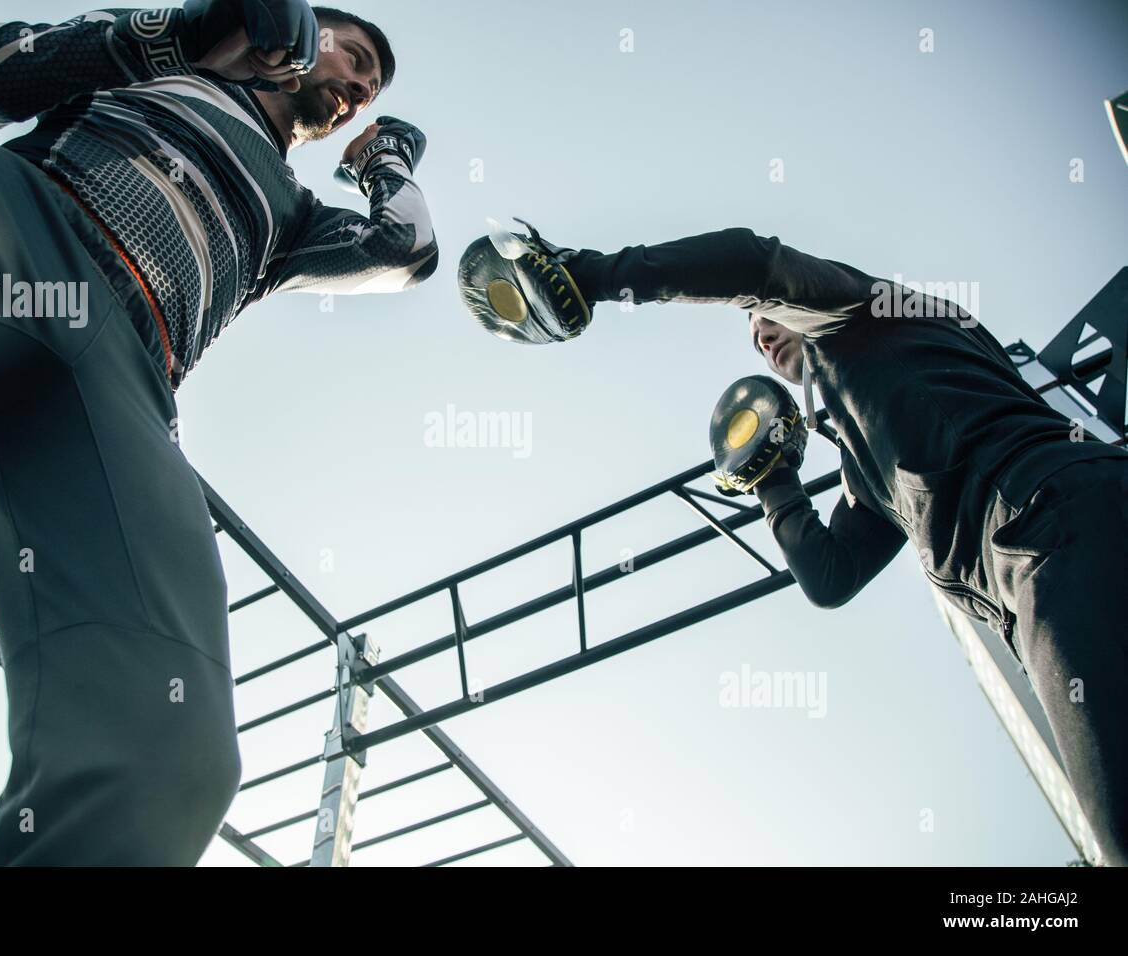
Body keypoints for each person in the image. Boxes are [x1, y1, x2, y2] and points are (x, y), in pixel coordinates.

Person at [0, 0, 437, 865]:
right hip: (16, 223)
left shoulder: (292, 217)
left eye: (375, 82)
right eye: (357, 49)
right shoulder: (162, 55)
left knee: (171, 756)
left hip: (119, 383)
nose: (365, 78)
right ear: (303, 30)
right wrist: (183, 32)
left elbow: (406, 250)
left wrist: (385, 162)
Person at [459, 222, 1128, 865]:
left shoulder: (868, 315)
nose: (758, 335)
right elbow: (830, 577)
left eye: (764, 318)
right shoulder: (868, 466)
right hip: (1037, 566)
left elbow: (754, 265)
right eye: (752, 332)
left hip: (1053, 527)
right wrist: (774, 481)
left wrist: (593, 274)